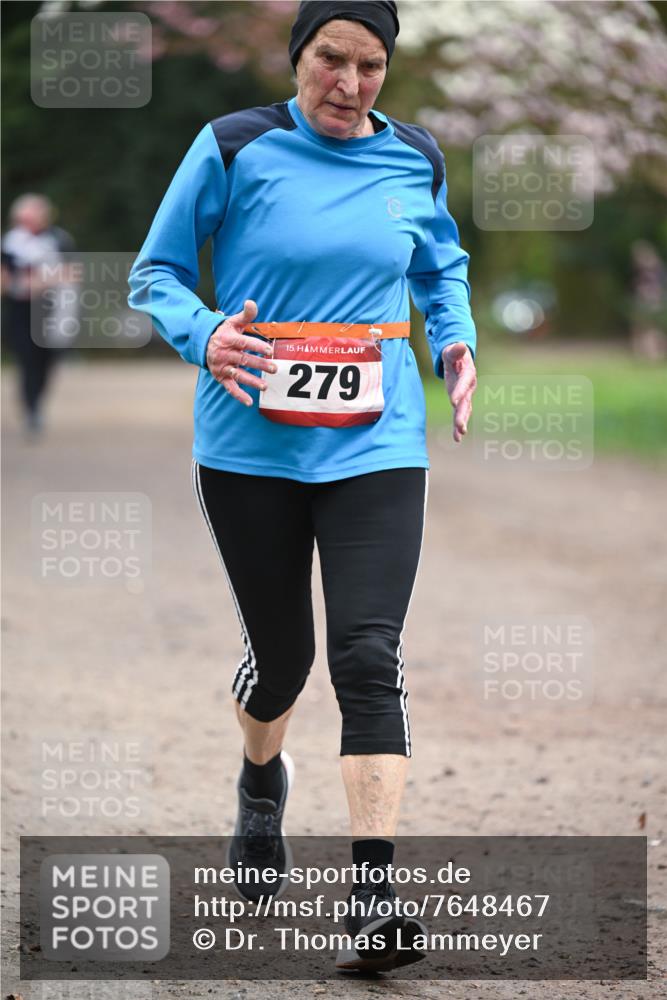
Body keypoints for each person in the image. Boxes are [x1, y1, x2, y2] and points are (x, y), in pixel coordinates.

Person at [128, 0, 477, 973]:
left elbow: (440, 266)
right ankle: (257, 777)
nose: (350, 84)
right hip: (250, 449)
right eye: (332, 59)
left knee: (365, 654)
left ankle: (374, 903)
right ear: (299, 55)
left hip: (376, 442)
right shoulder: (233, 146)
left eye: (371, 67)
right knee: (280, 665)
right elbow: (154, 273)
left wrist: (454, 339)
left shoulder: (415, 157)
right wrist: (206, 333)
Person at [1, 193, 75, 435]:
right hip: (21, 310)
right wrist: (22, 285)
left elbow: (72, 272)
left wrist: (42, 283)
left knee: (47, 361)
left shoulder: (59, 239)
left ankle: (36, 402)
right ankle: (31, 408)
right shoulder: (10, 243)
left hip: (51, 309)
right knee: (27, 360)